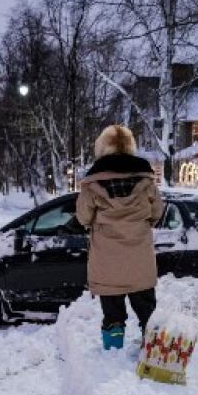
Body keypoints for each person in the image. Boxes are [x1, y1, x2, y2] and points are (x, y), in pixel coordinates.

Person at [76, 125, 164, 350]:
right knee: (147, 313)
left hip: (107, 261)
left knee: (113, 314)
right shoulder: (145, 180)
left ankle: (113, 355)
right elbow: (157, 213)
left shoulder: (92, 182)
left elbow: (83, 217)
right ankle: (154, 353)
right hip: (139, 258)